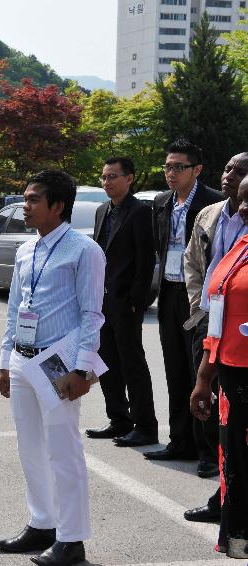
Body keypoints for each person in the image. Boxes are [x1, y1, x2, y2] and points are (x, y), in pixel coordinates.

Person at [0, 170, 105, 566]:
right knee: (30, 448)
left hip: (59, 363)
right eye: (25, 199)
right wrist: (6, 361)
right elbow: (13, 310)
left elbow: (93, 315)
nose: (24, 206)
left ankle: (71, 541)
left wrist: (82, 369)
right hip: (23, 359)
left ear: (57, 206)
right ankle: (43, 523)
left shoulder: (84, 250)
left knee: (64, 451)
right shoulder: (28, 249)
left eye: (32, 200)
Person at [146, 139, 224, 462]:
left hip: (200, 300)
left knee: (202, 373)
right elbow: (159, 246)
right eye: (167, 166)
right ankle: (179, 441)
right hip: (169, 294)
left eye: (179, 167)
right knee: (174, 370)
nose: (171, 173)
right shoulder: (162, 202)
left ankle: (207, 450)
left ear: (197, 169)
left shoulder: (213, 203)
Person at [184, 153, 248, 523]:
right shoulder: (209, 214)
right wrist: (200, 306)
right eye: (227, 169)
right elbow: (193, 262)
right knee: (214, 413)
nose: (229, 176)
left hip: (240, 342)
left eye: (239, 172)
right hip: (211, 327)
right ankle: (224, 494)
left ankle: (229, 497)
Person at [86, 157, 158, 447]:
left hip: (125, 302)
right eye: (104, 177)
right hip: (100, 301)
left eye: (113, 176)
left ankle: (145, 427)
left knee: (132, 365)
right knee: (106, 363)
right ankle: (119, 419)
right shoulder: (102, 210)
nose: (107, 182)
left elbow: (145, 260)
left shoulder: (140, 211)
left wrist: (136, 302)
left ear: (129, 179)